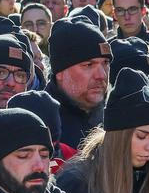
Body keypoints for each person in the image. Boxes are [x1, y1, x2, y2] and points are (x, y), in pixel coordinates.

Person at [46, 17, 113, 148]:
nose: (102, 75)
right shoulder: (41, 121)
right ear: (60, 72)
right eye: (88, 65)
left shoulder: (119, 116)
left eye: (105, 63)